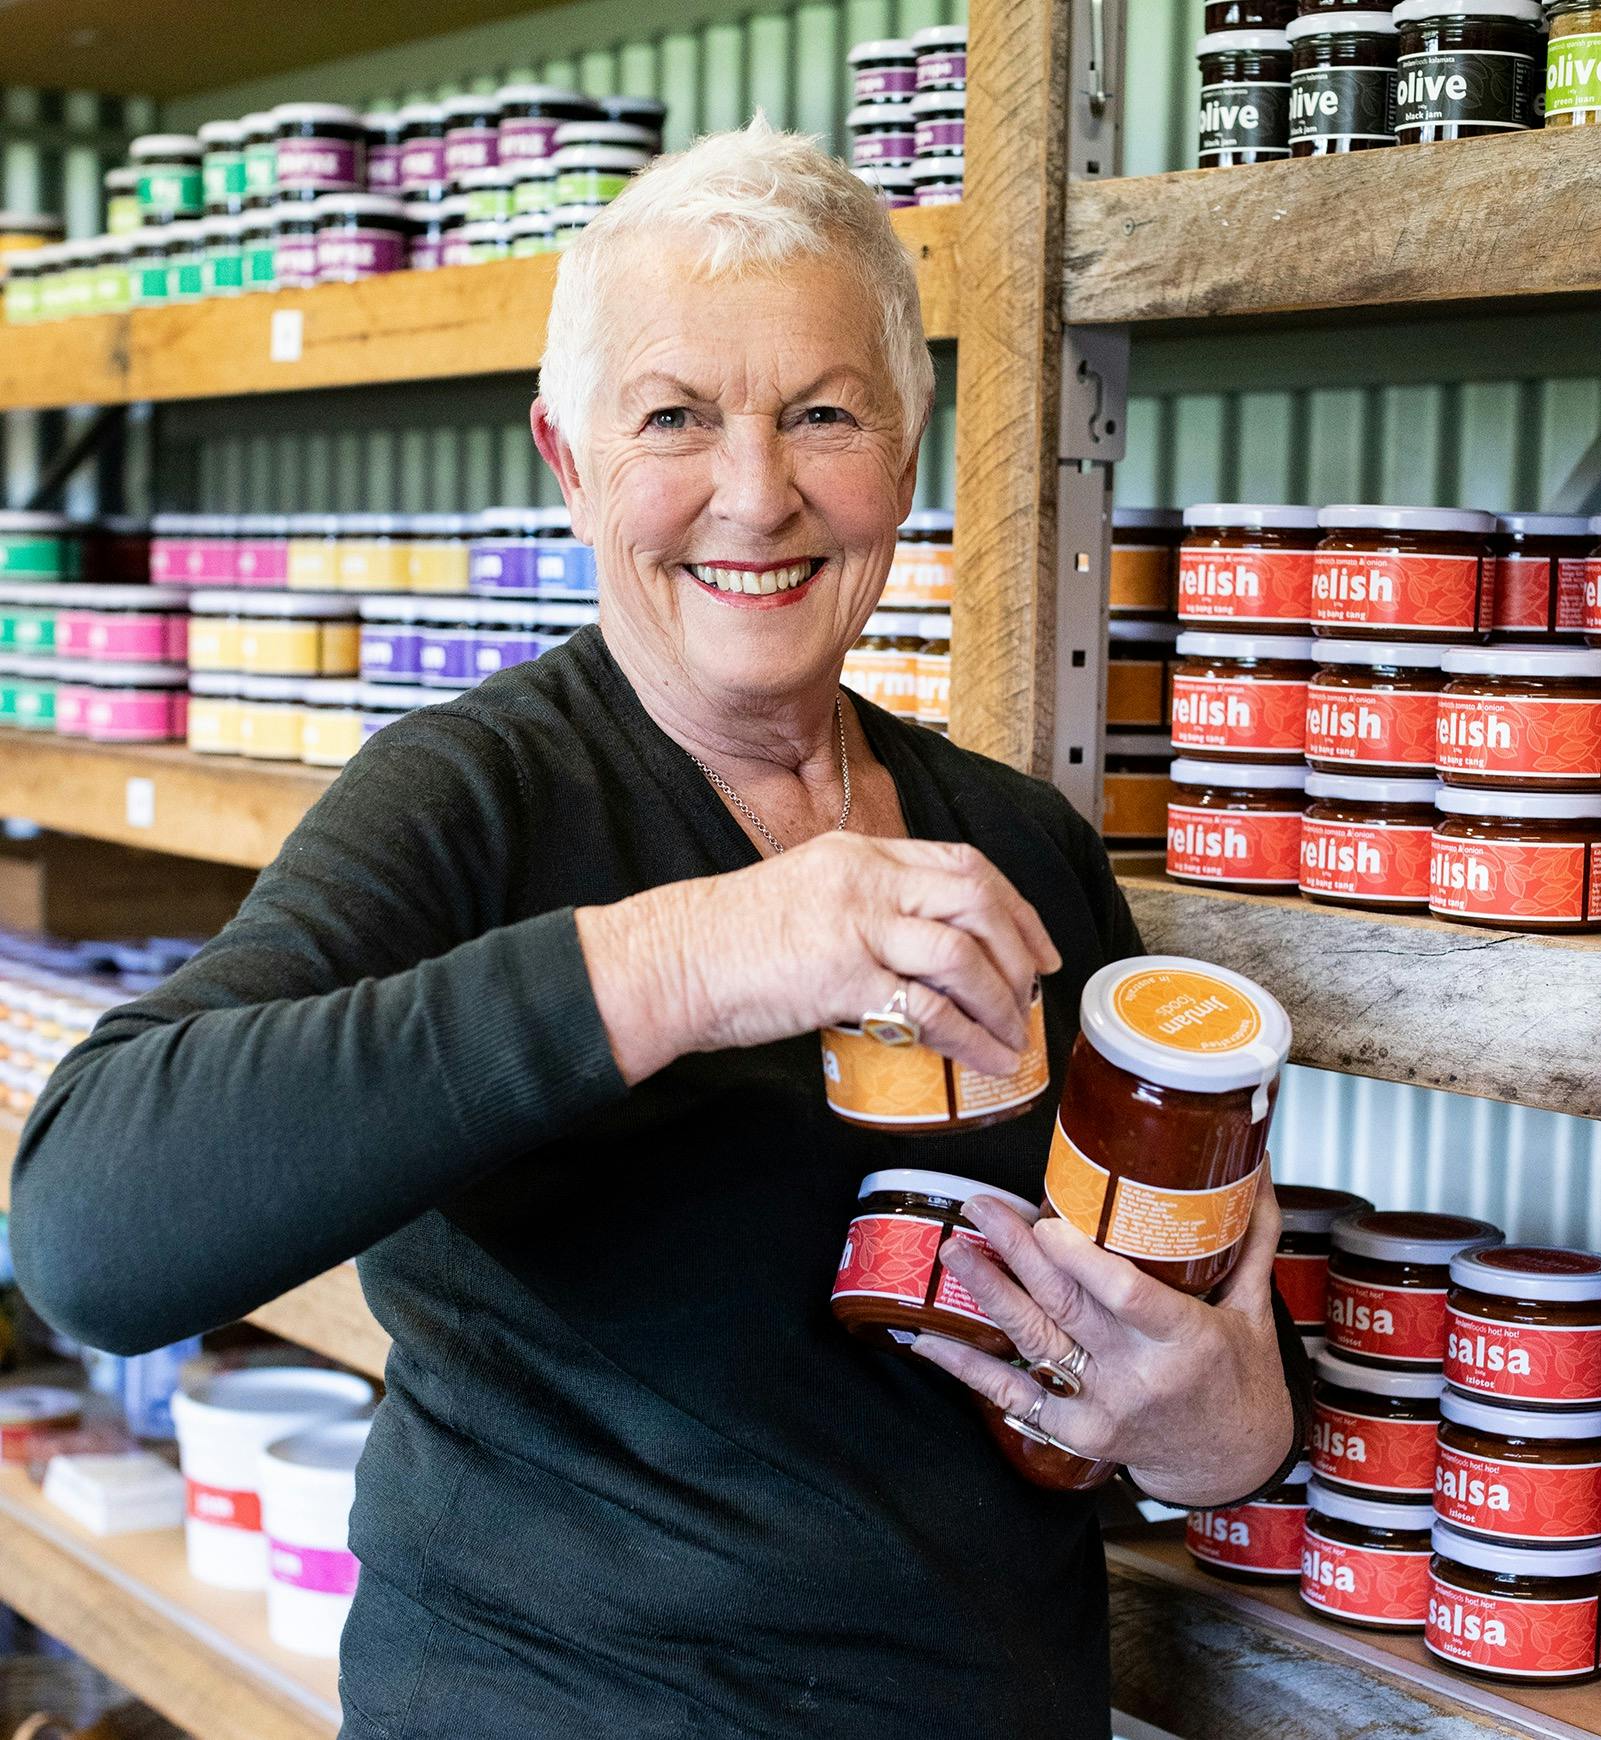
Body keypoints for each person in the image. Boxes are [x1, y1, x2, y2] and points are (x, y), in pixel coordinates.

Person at [10, 121, 1309, 1739]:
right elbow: (86, 1233)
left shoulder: (1020, 844)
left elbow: (1183, 1341)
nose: (754, 496)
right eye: (675, 418)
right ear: (569, 460)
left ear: (904, 457)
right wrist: (689, 956)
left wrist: (1216, 1426)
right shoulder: (465, 802)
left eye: (821, 414)